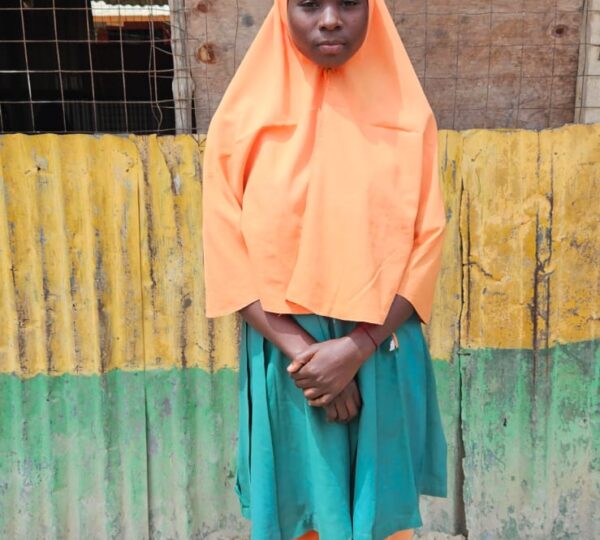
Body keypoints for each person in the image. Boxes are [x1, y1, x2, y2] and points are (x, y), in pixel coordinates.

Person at [202, 0, 448, 538]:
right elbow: (227, 256)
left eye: (350, 2)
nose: (331, 18)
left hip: (381, 349)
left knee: (381, 524)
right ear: (282, 12)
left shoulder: (409, 119)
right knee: (300, 519)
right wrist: (312, 362)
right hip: (289, 359)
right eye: (310, 3)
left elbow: (426, 245)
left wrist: (355, 348)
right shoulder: (239, 125)